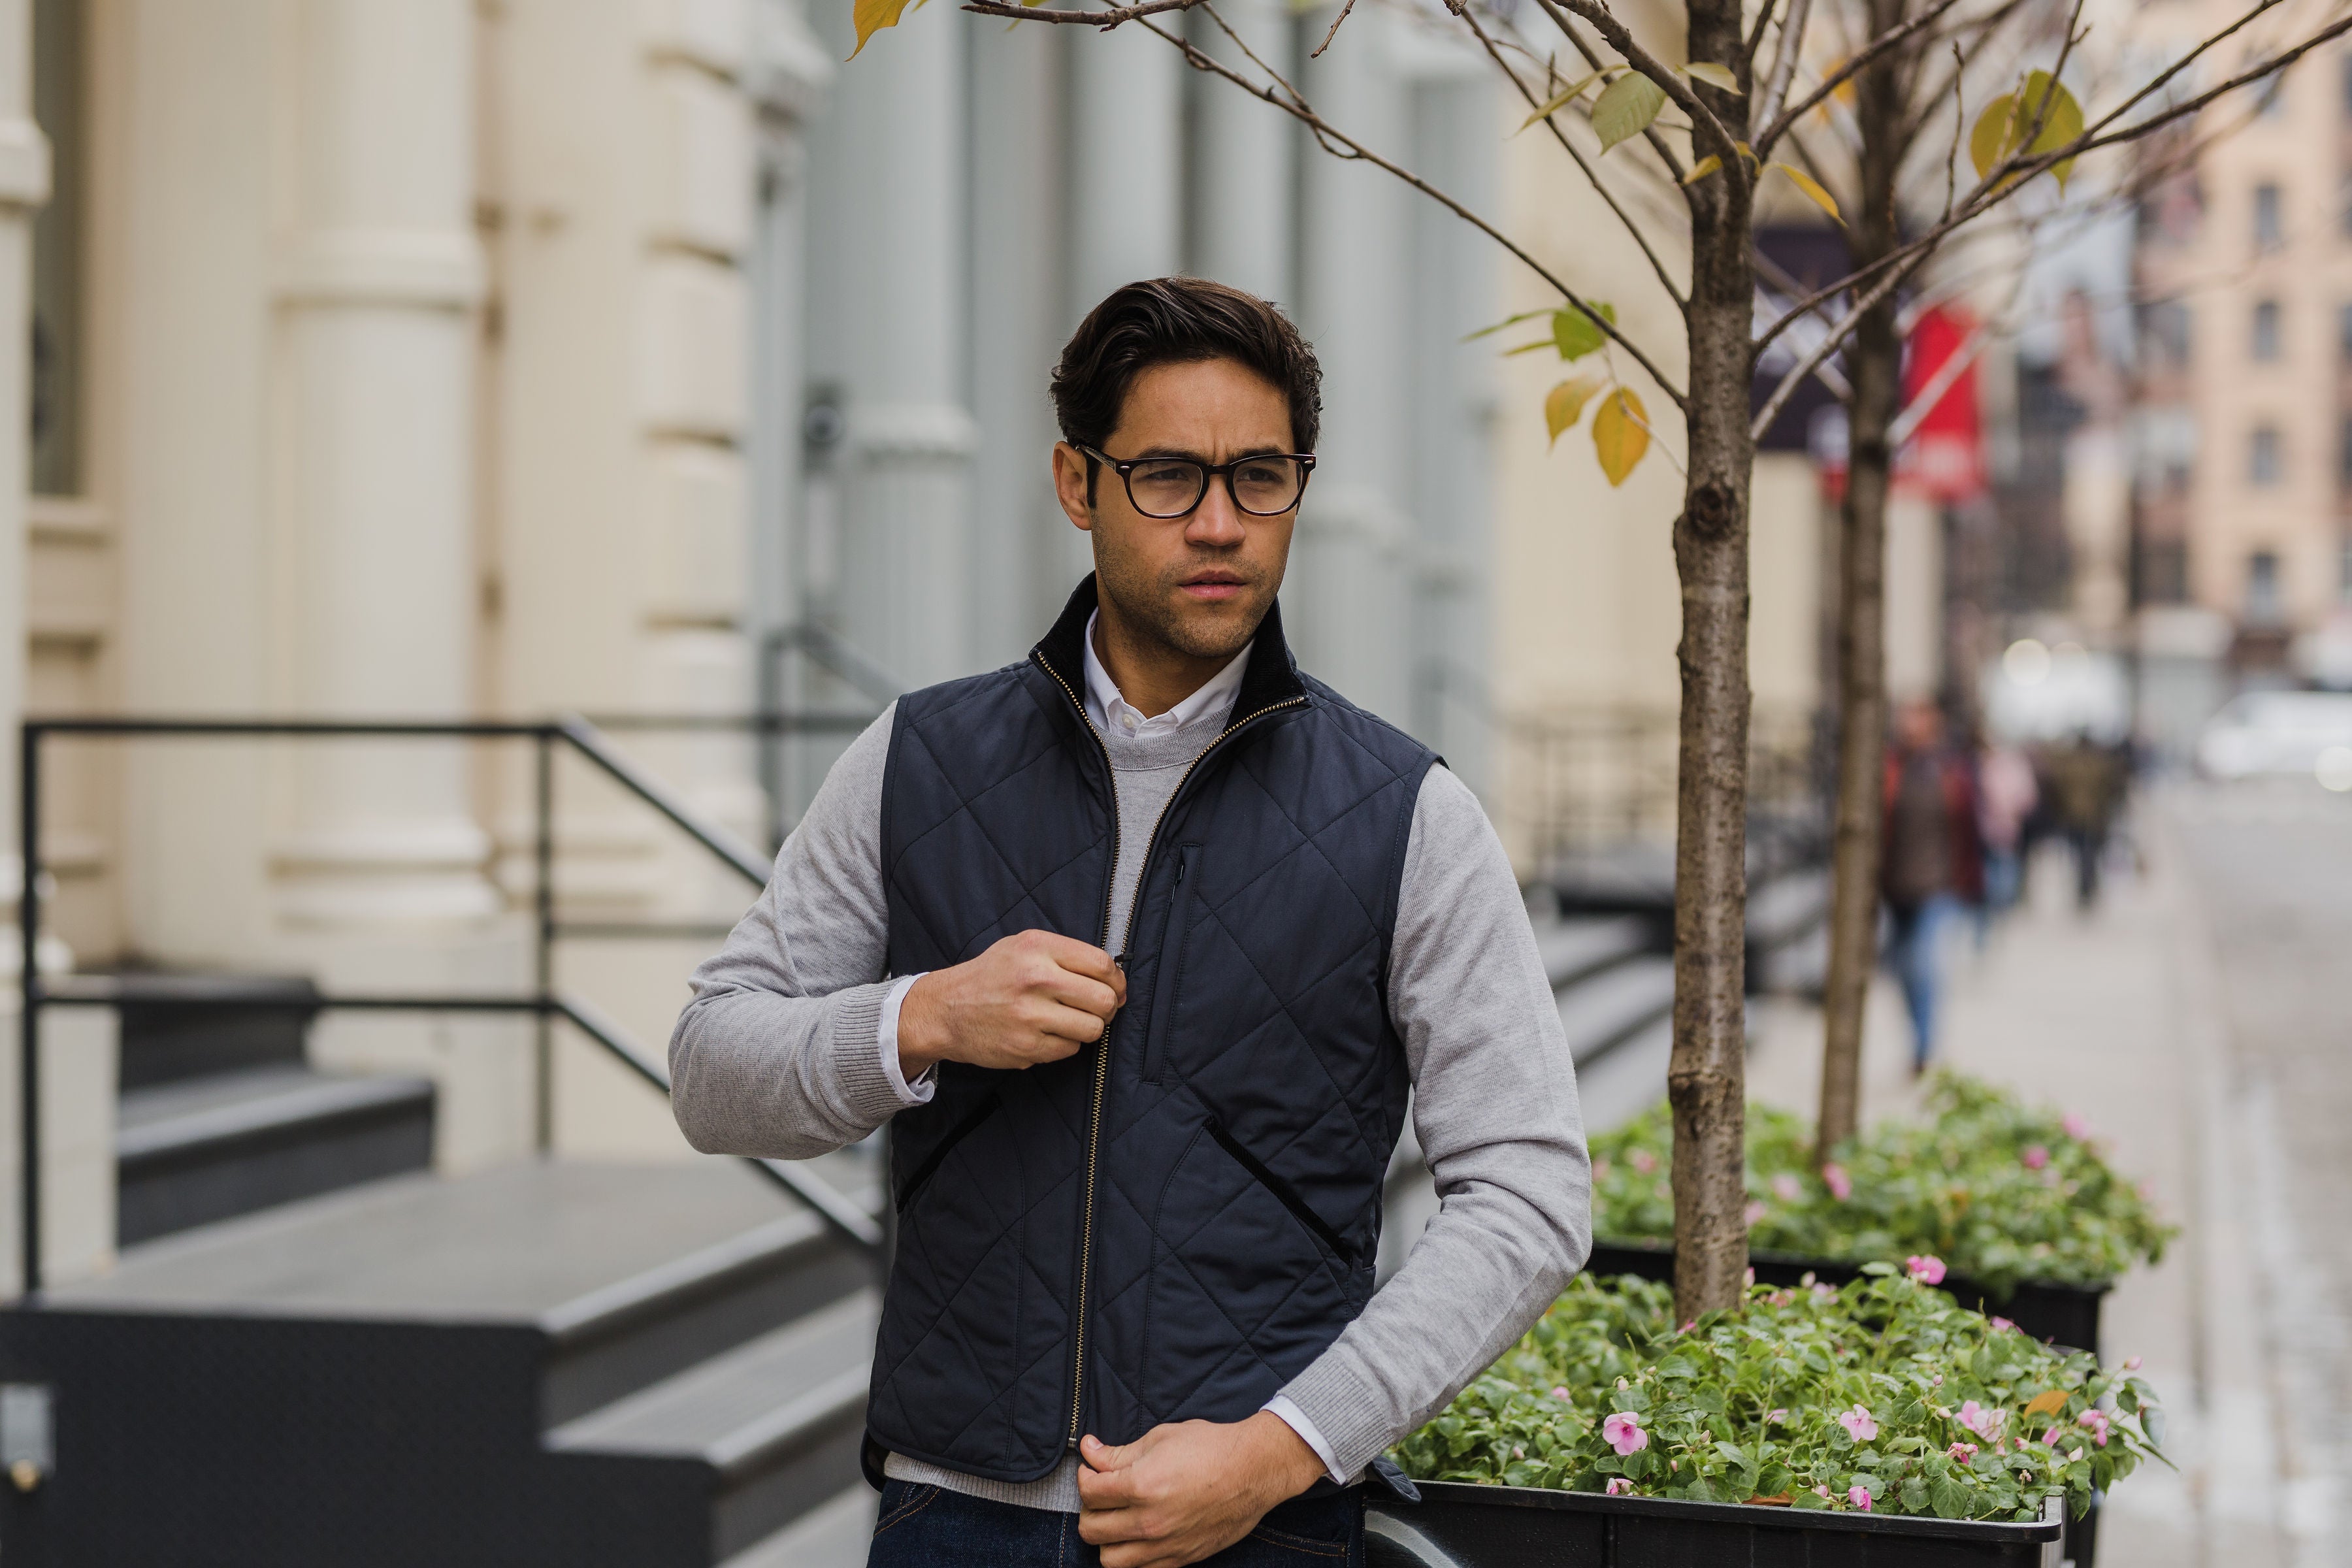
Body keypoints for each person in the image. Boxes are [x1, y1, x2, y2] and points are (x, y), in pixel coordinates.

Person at [669, 278, 1590, 1568]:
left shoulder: (1410, 816)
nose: (1219, 523)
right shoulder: (918, 761)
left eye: (1259, 477)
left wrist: (1282, 1446)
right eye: (1167, 475)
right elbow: (712, 1070)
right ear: (1076, 481)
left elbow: (1531, 1192)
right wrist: (921, 1016)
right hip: (954, 1518)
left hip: (1253, 1525)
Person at [1880, 700, 1984, 1074]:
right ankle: (1916, 1032)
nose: (1912, 724)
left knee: (1924, 966)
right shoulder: (1889, 768)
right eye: (1908, 715)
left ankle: (1923, 1047)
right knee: (1901, 970)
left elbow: (1972, 828)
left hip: (1940, 886)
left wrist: (1972, 884)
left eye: (1920, 716)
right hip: (1894, 889)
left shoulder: (1951, 770)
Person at [2042, 729, 2127, 910]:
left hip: (2075, 817)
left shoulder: (2068, 764)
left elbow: (2056, 788)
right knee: (2089, 855)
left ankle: (2085, 888)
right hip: (2092, 818)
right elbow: (2112, 788)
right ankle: (2087, 887)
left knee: (2080, 855)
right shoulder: (2099, 764)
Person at [1974, 734, 2038, 934]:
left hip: (1999, 828)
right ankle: (1999, 905)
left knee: (2001, 869)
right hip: (1997, 829)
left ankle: (1998, 905)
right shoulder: (1992, 767)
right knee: (2001, 868)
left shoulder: (1988, 768)